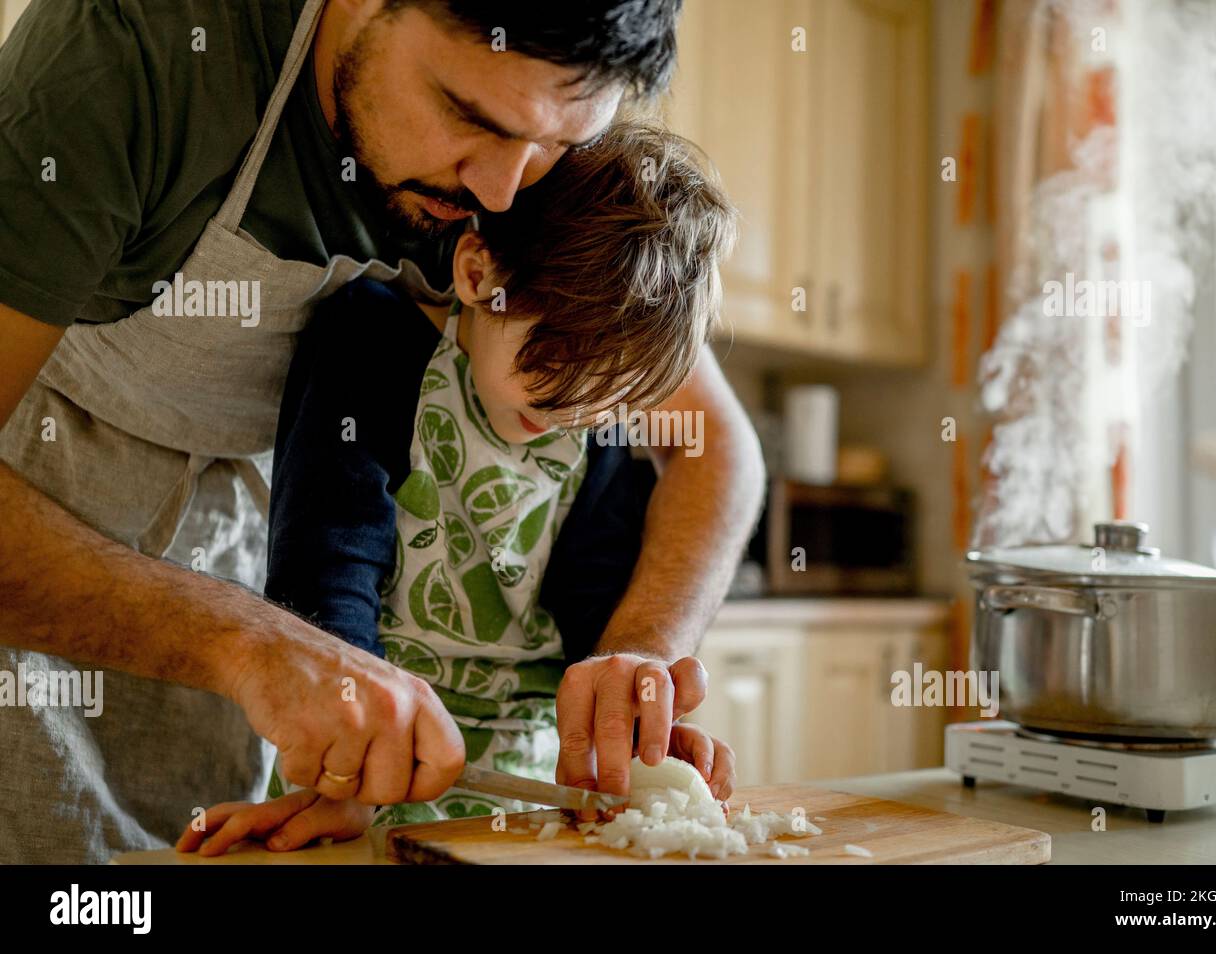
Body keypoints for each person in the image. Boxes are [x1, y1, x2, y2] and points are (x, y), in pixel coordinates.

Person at [0, 0, 764, 863]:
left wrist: (638, 662)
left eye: (551, 146)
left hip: (243, 551)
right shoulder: (132, 54)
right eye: (468, 118)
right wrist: (252, 643)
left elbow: (716, 447)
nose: (503, 194)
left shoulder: (530, 121)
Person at [178, 122, 740, 854]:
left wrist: (637, 735)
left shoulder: (584, 422)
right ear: (479, 276)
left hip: (533, 778)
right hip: (371, 758)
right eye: (556, 379)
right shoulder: (370, 341)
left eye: (604, 406)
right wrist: (343, 774)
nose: (569, 420)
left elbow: (594, 601)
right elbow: (328, 557)